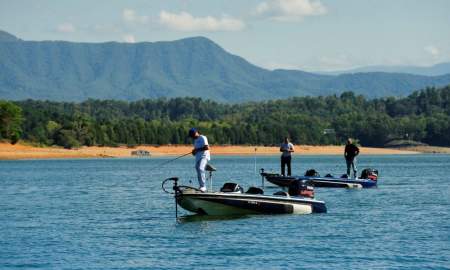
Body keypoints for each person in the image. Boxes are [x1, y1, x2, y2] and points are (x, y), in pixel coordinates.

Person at [188, 128, 210, 192]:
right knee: (198, 169)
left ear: (196, 133)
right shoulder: (195, 140)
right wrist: (193, 152)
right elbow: (196, 151)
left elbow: (207, 147)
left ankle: (203, 186)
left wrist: (197, 150)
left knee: (201, 168)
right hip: (198, 158)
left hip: (204, 156)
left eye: (192, 135)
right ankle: (201, 186)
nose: (192, 137)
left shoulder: (203, 137)